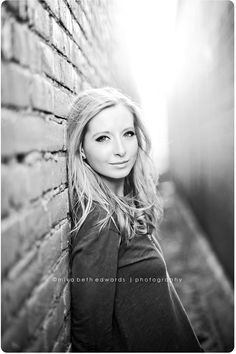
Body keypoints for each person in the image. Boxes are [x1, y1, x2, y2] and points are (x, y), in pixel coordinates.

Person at [67, 87, 204, 352]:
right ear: (81, 149)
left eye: (128, 134)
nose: (120, 150)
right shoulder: (100, 221)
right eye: (103, 138)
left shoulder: (127, 203)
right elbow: (90, 340)